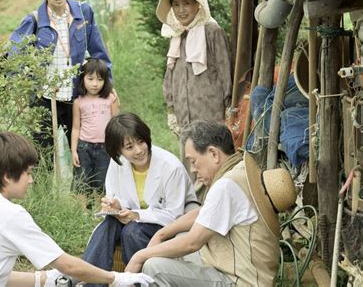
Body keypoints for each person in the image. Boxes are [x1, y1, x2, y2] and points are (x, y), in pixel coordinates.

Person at [0, 132, 153, 286]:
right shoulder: (8, 214)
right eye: (28, 173)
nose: (31, 180)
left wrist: (44, 279)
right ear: (7, 176)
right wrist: (117, 278)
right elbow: (68, 265)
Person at [124, 120, 297, 286]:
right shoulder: (238, 170)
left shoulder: (226, 186)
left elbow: (193, 242)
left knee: (154, 267)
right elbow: (203, 213)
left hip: (240, 281)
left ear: (213, 154)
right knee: (178, 238)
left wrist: (139, 256)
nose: (192, 169)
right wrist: (160, 234)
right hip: (244, 270)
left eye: (193, 161)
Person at [82, 112, 198, 286]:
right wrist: (116, 204)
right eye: (129, 147)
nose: (138, 150)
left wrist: (136, 216)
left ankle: (140, 282)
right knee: (108, 225)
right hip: (136, 221)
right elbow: (116, 196)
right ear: (118, 151)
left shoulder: (170, 167)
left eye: (141, 142)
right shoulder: (118, 163)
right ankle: (90, 281)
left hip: (171, 225)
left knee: (132, 232)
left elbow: (174, 215)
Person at [9, 0, 113, 155]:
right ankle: (46, 184)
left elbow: (98, 52)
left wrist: (109, 84)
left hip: (76, 97)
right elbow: (13, 56)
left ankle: (82, 184)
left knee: (82, 153)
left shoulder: (83, 13)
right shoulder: (34, 20)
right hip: (45, 99)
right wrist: (18, 90)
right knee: (44, 155)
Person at [156, 0, 233, 201]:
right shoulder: (177, 34)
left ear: (198, 5)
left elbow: (224, 69)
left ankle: (214, 211)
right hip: (185, 114)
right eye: (177, 4)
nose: (181, 10)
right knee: (191, 165)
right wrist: (171, 108)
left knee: (212, 164)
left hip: (210, 112)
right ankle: (194, 214)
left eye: (187, 4)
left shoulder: (211, 31)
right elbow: (170, 75)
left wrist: (228, 106)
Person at [71, 58, 119, 195]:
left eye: (99, 79)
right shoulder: (79, 102)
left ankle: (99, 214)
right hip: (84, 147)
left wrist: (116, 147)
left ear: (105, 81)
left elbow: (116, 125)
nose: (95, 84)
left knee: (102, 182)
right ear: (83, 79)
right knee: (81, 181)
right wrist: (74, 150)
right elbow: (76, 128)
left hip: (105, 147)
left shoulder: (111, 99)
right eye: (90, 79)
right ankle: (81, 213)